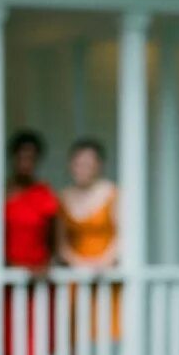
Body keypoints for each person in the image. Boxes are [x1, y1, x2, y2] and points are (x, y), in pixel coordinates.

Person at [5, 130, 59, 355]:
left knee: (35, 345)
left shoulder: (45, 195)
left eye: (31, 158)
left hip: (37, 281)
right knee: (6, 344)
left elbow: (55, 240)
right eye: (21, 157)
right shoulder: (2, 194)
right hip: (6, 281)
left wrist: (46, 264)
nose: (26, 163)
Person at [58, 138, 120, 339]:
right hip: (75, 277)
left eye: (88, 164)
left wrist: (103, 263)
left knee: (106, 334)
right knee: (76, 336)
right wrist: (78, 264)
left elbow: (123, 237)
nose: (82, 169)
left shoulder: (113, 194)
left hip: (105, 275)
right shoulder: (63, 197)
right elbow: (61, 243)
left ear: (99, 166)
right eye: (78, 164)